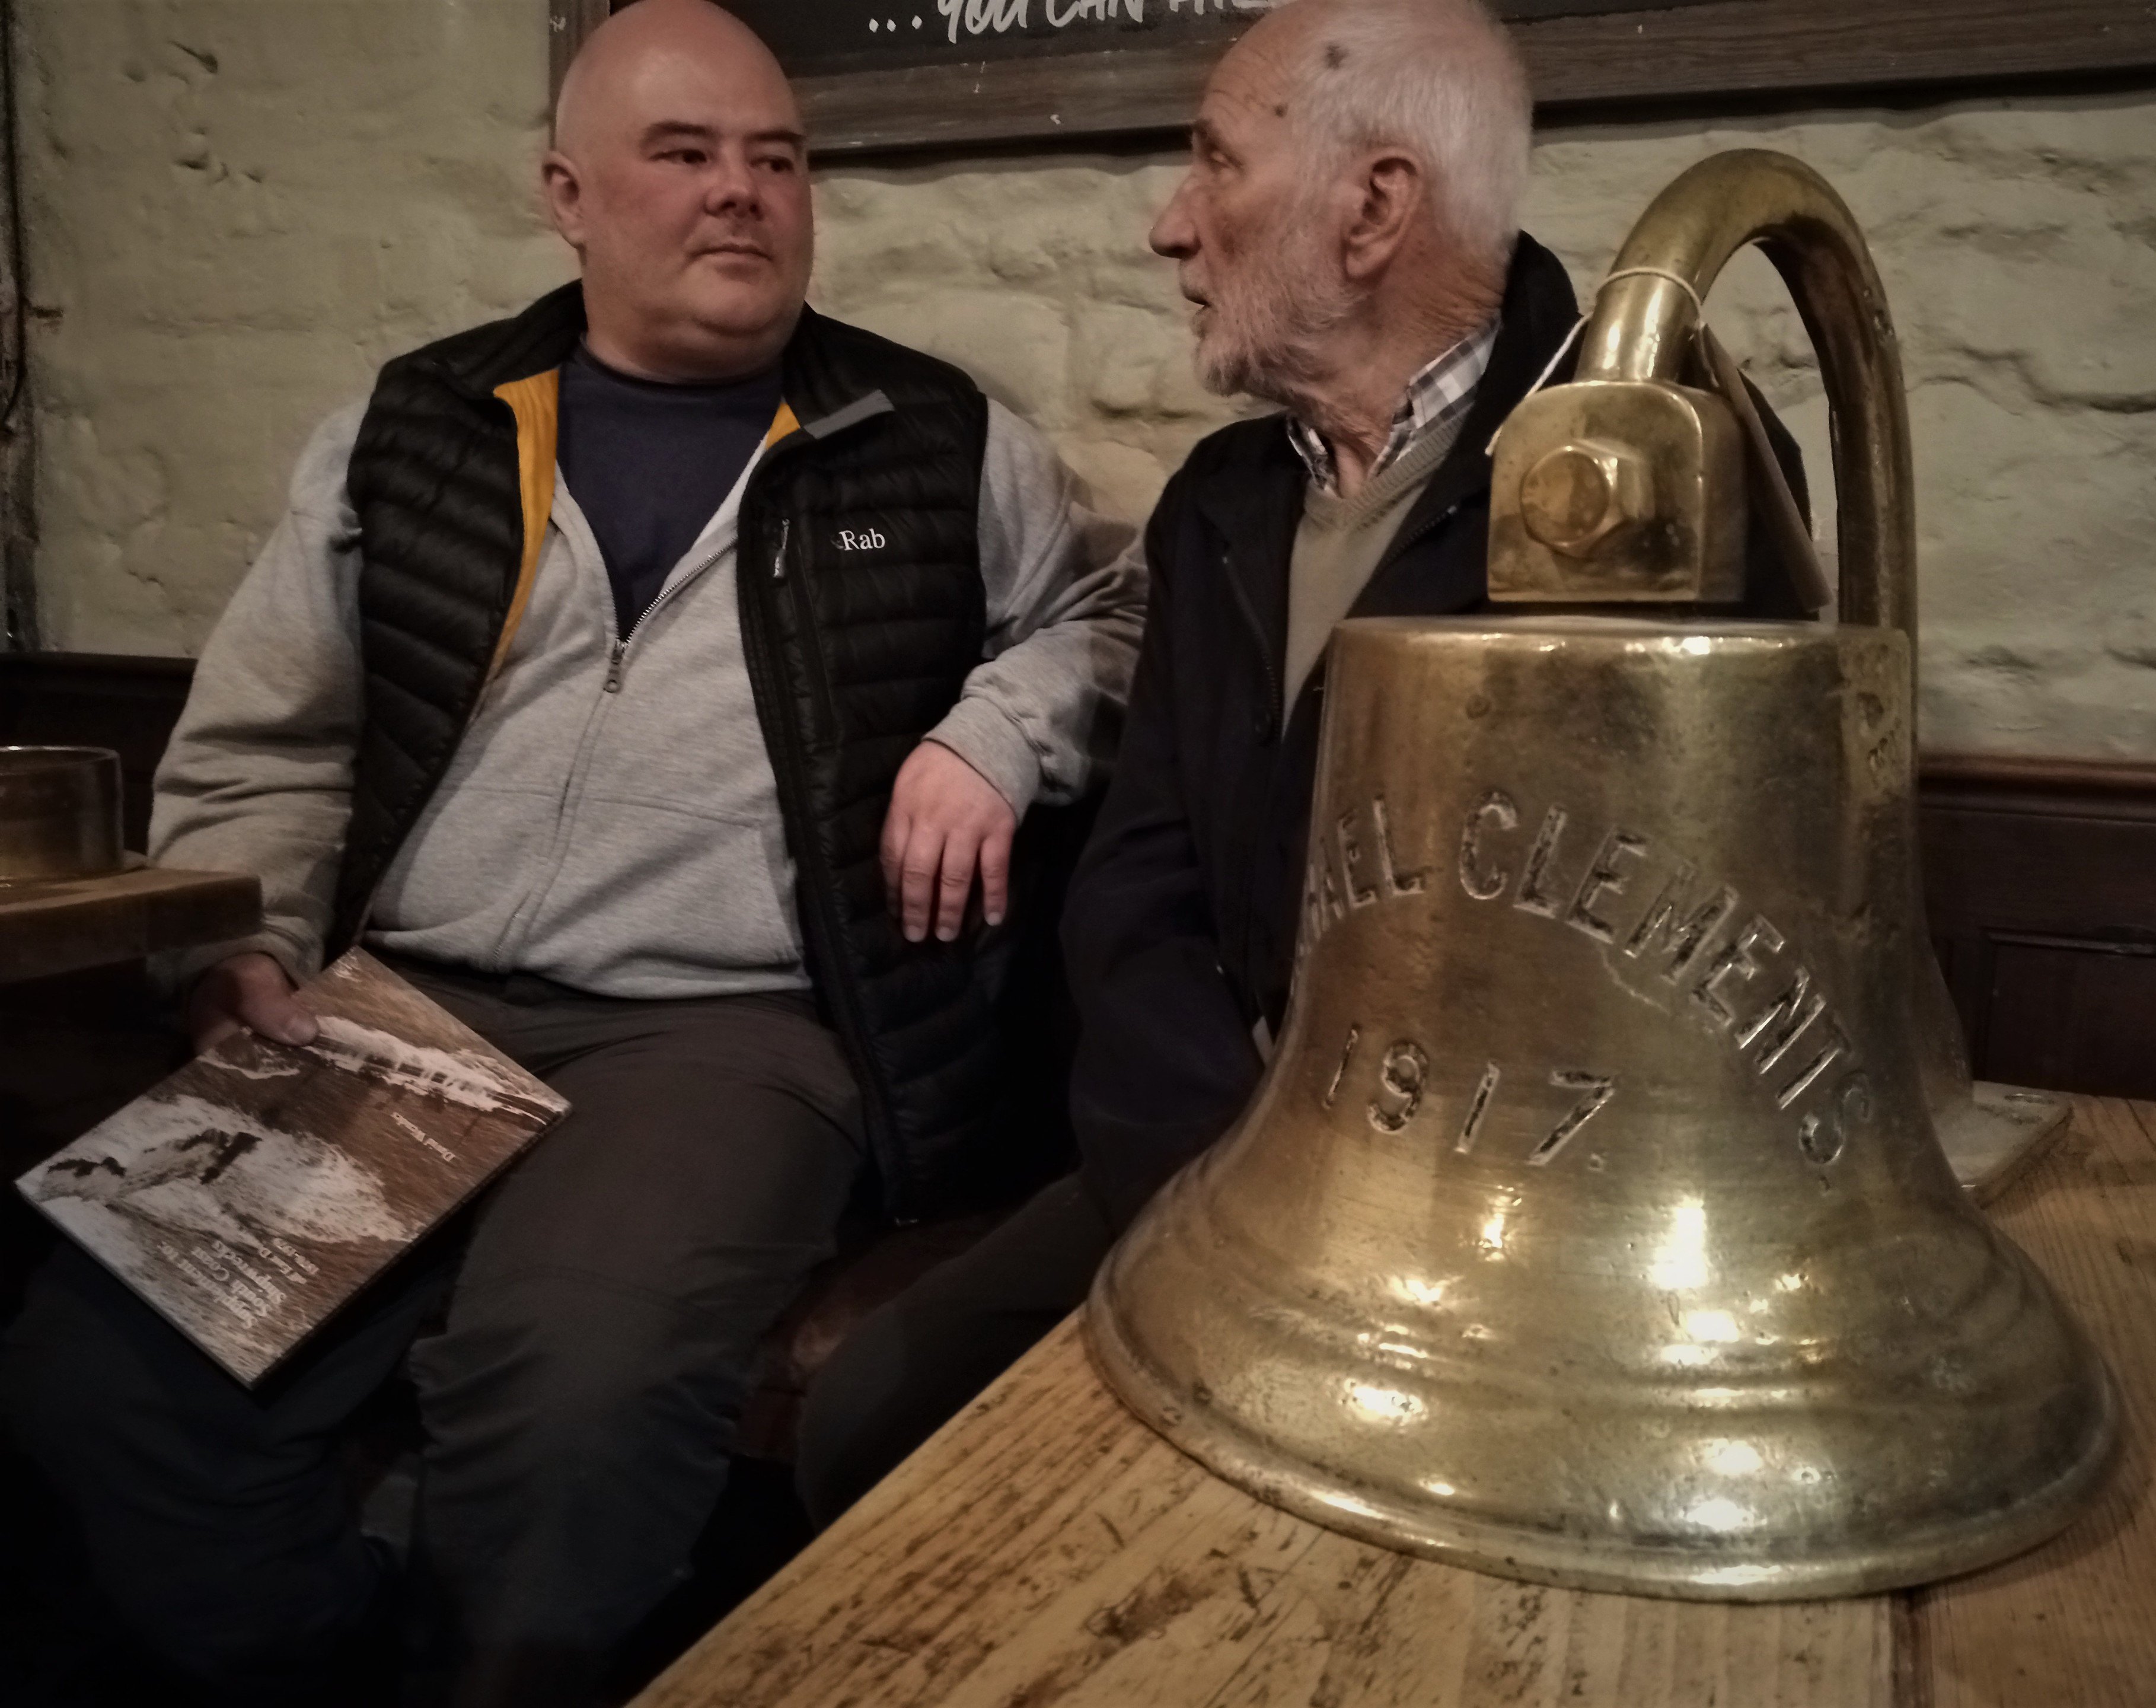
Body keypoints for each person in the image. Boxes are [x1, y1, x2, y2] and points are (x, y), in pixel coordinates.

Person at [0, 2, 1141, 1703]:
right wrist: (231, 951)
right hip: (398, 1012)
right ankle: (333, 1655)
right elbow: (273, 733)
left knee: (576, 1397)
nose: (742, 195)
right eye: (683, 156)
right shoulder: (417, 428)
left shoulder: (934, 435)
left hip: (729, 1032)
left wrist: (996, 733)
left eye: (776, 159)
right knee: (97, 1362)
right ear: (569, 195)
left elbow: (1108, 622)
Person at [795, 0, 1809, 1525]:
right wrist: (1217, 1174)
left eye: (1214, 161)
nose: (1169, 226)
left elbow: (1672, 948)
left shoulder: (1661, 472)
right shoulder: (1221, 502)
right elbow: (1139, 881)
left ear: (1374, 207)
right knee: (873, 1418)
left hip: (1513, 1242)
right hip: (1211, 1169)